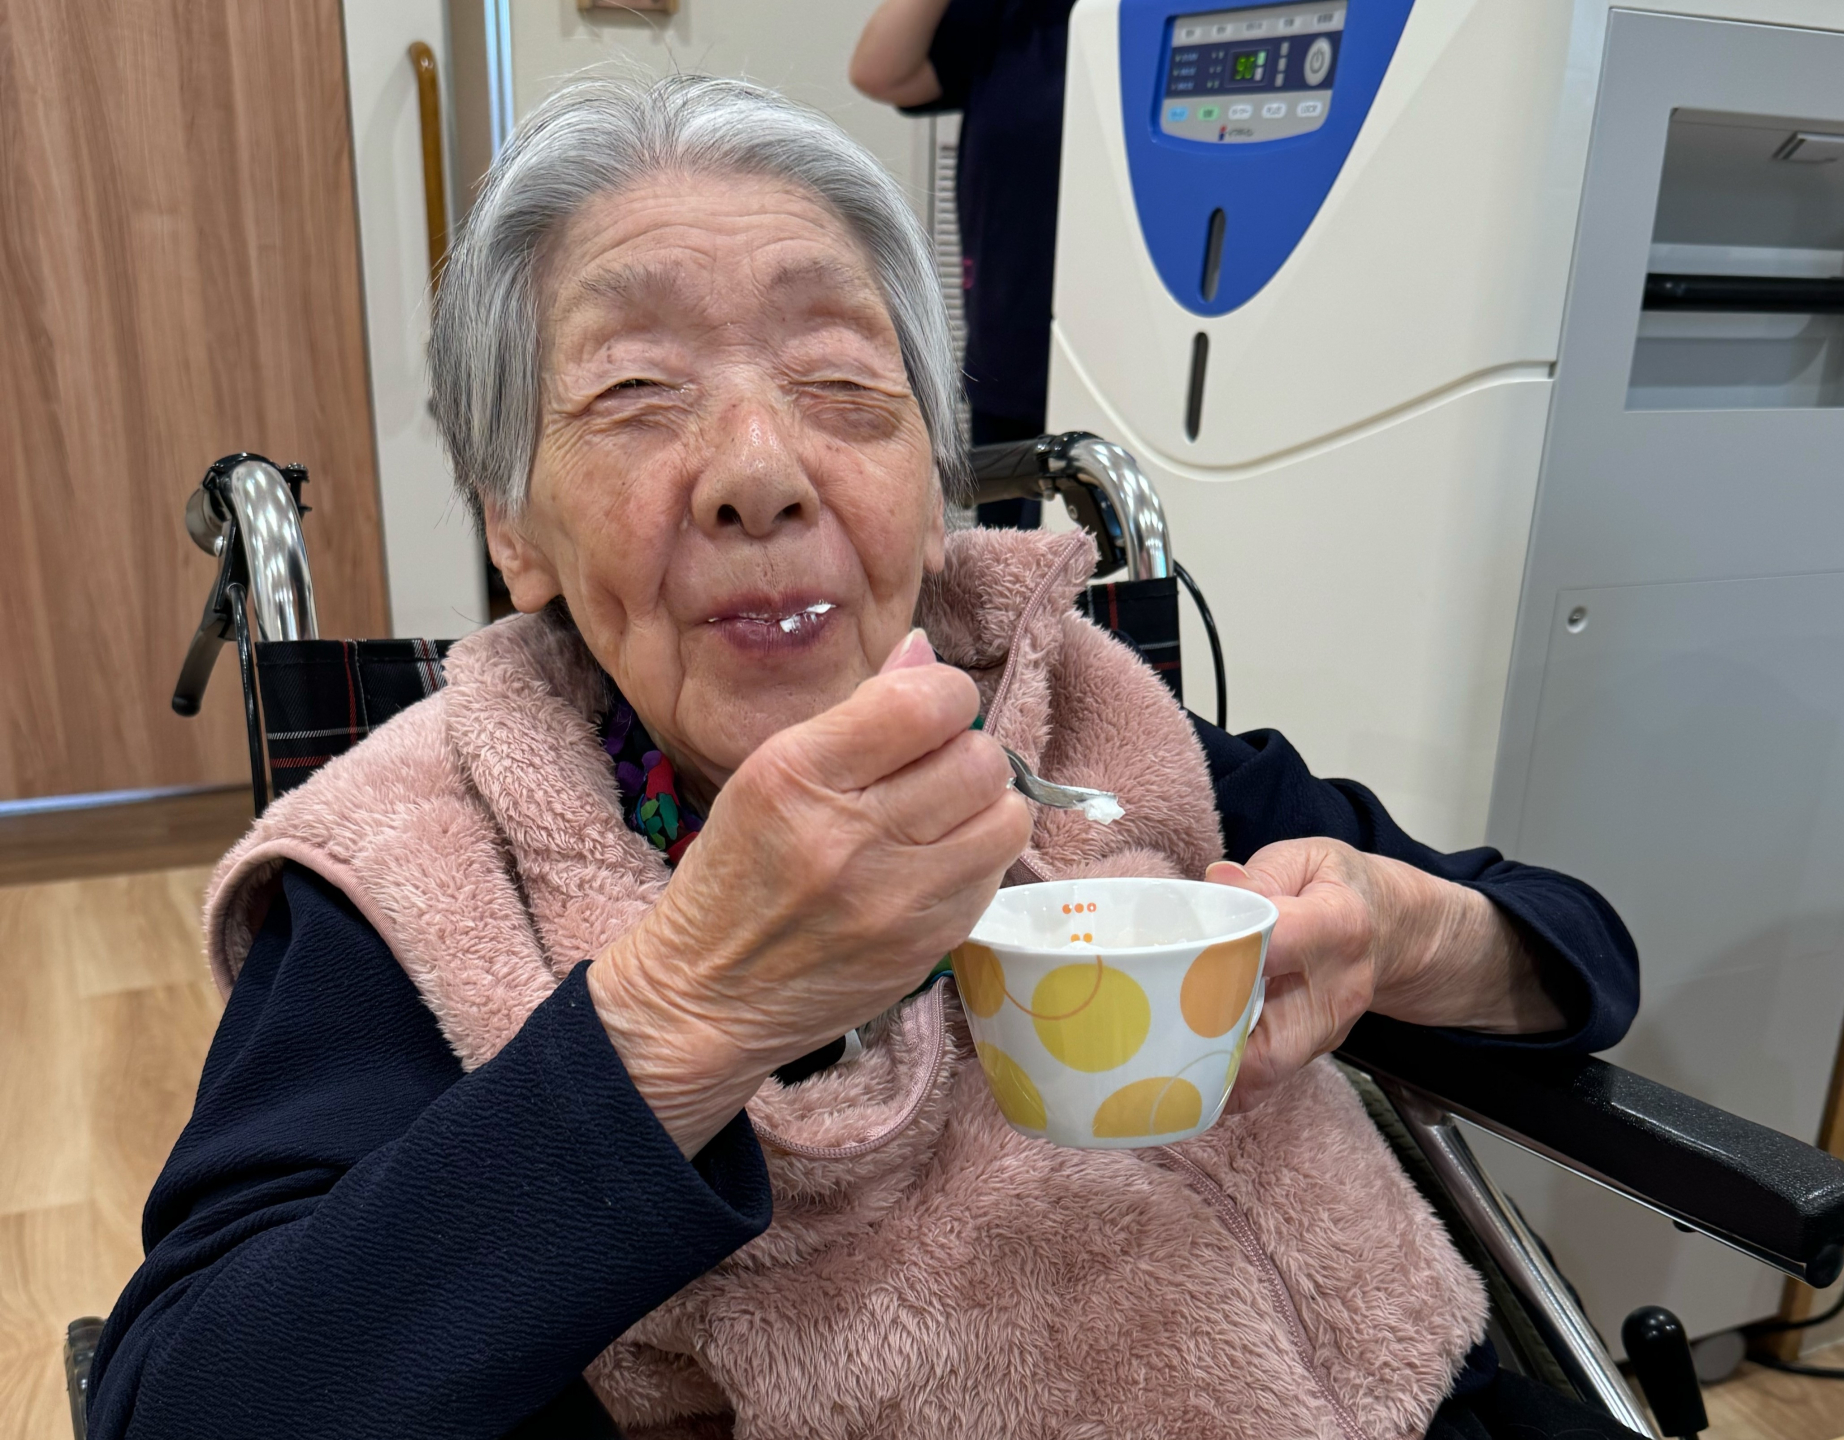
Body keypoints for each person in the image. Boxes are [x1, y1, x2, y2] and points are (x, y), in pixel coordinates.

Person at [89, 74, 1636, 1440]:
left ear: (932, 475)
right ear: (516, 528)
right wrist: (692, 1008)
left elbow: (1582, 956)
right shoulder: (422, 873)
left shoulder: (1086, 713)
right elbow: (186, 1401)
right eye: (634, 393)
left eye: (842, 383)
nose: (761, 471)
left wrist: (1410, 934)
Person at [851, 0, 1077, 527]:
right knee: (1008, 561)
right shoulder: (1012, 21)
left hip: (1120, 356)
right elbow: (878, 70)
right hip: (1010, 356)